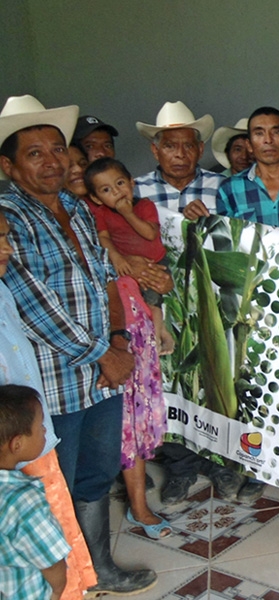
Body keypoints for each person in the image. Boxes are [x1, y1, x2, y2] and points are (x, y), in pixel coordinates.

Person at [0, 94, 156, 594]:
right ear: (8, 167)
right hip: (53, 382)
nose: (52, 161)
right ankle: (63, 585)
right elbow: (33, 303)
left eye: (57, 149)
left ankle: (98, 570)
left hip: (104, 372)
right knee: (55, 484)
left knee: (96, 474)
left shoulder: (77, 207)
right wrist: (105, 355)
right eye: (35, 153)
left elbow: (106, 280)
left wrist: (119, 340)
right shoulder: (8, 218)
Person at [0, 212, 95, 600]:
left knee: (54, 515)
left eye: (6, 237)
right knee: (37, 533)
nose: (7, 248)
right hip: (14, 437)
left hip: (26, 435)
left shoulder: (3, 288)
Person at [84, 158, 175, 355]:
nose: (116, 192)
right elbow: (103, 238)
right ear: (96, 198)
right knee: (133, 305)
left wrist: (128, 213)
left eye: (120, 183)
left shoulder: (145, 206)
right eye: (106, 190)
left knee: (153, 302)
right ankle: (143, 339)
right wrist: (117, 257)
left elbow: (149, 234)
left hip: (155, 263)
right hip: (126, 267)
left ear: (131, 182)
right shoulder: (101, 213)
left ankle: (156, 338)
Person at [0, 385, 70, 600]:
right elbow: (50, 560)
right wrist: (56, 591)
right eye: (40, 426)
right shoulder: (23, 500)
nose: (45, 431)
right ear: (17, 444)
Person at [217, 106, 279, 229]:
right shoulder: (230, 188)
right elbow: (224, 237)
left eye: (276, 132)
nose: (268, 140)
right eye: (259, 133)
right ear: (249, 145)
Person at [134, 101, 223, 220]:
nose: (180, 154)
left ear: (200, 149)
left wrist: (206, 222)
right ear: (155, 150)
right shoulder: (136, 191)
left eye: (189, 146)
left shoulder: (222, 186)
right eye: (170, 146)